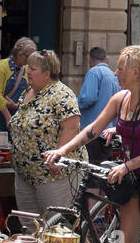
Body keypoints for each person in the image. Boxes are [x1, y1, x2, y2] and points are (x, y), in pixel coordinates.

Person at [47, 43, 140, 243]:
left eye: (119, 69)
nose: (115, 73)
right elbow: (93, 130)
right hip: (132, 179)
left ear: (136, 71)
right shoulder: (121, 99)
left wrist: (127, 165)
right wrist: (63, 150)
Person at [8, 50, 86, 217]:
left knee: (57, 225)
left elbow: (71, 127)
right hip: (26, 174)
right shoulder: (27, 93)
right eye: (28, 67)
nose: (28, 71)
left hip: (52, 175)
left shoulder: (62, 94)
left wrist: (57, 158)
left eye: (33, 69)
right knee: (29, 227)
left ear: (47, 74)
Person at [0, 37, 35, 142]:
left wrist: (16, 106)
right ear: (19, 54)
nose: (30, 61)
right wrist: (8, 116)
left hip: (16, 116)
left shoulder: (27, 70)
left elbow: (31, 93)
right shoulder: (2, 66)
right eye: (28, 57)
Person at [77, 46, 120, 163]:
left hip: (93, 133)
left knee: (92, 172)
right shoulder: (113, 75)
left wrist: (74, 103)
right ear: (106, 59)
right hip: (108, 133)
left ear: (89, 60)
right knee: (103, 171)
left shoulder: (94, 72)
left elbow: (87, 99)